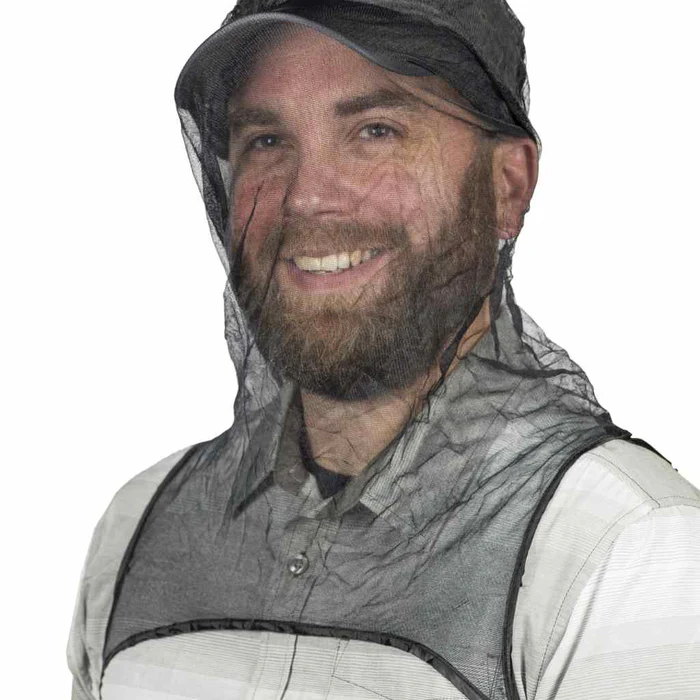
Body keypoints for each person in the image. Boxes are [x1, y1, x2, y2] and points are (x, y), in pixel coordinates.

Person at [67, 1, 700, 698]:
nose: (308, 199)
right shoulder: (139, 530)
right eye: (267, 141)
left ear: (507, 183)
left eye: (376, 131)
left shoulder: (624, 551)